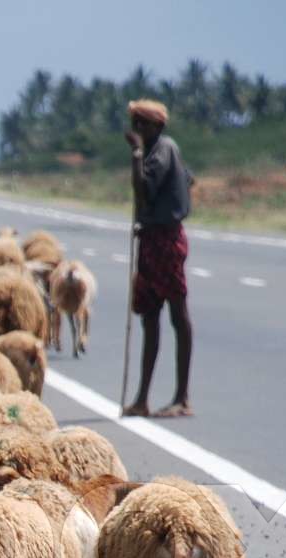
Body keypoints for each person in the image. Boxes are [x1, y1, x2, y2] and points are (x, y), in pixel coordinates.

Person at [122, 99, 196, 418]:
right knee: (149, 316)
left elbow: (144, 190)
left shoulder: (162, 149)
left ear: (158, 126)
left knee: (178, 313)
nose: (137, 129)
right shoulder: (159, 151)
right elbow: (187, 179)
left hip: (166, 240)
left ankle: (182, 398)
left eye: (143, 124)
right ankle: (142, 398)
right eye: (135, 123)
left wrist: (137, 154)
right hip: (151, 239)